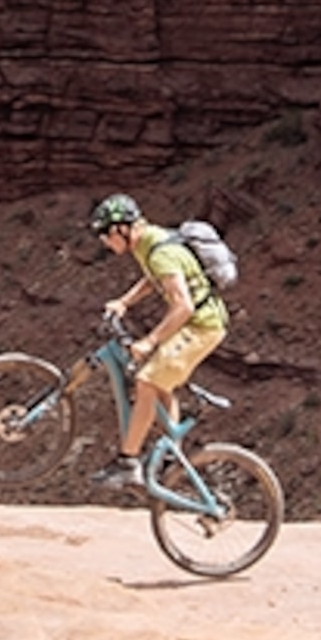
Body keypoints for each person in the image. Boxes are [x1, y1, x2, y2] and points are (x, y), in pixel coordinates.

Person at [86, 193, 228, 491]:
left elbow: (183, 306)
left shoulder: (158, 250)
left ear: (119, 230)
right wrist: (124, 302)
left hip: (202, 327)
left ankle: (127, 462)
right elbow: (155, 279)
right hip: (197, 324)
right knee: (159, 382)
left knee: (147, 382)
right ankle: (170, 453)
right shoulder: (147, 243)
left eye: (104, 237)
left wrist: (149, 341)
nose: (104, 244)